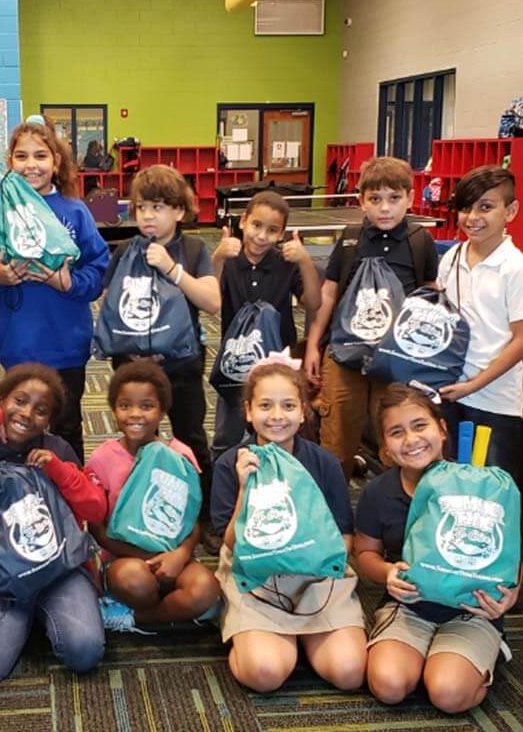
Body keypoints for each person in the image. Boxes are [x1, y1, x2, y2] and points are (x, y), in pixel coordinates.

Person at [0, 364, 107, 688]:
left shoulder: (56, 449)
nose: (27, 413)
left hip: (59, 569)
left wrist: (57, 470)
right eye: (19, 400)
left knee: (84, 652)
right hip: (4, 579)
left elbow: (95, 509)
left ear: (49, 420)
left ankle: (42, 618)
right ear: (2, 399)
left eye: (41, 411)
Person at [355, 383, 521, 712]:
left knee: (449, 695)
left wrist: (511, 594)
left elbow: (510, 549)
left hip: (470, 611)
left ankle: (475, 655)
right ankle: (430, 658)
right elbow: (364, 555)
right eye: (396, 432)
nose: (412, 440)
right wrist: (387, 573)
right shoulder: (378, 492)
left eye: (420, 426)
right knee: (388, 686)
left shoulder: (482, 483)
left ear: (442, 429)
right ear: (385, 447)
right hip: (408, 606)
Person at [211, 361, 366, 693]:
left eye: (288, 405)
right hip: (255, 576)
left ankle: (299, 639)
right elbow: (232, 544)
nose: (277, 416)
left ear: (303, 412)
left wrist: (303, 561)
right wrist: (243, 488)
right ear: (248, 412)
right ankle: (268, 638)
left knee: (349, 672)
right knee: (264, 674)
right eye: (265, 406)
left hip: (316, 576)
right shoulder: (229, 463)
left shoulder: (324, 462)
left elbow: (344, 537)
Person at [0, 119, 110, 462]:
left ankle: (69, 505)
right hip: (17, 344)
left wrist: (67, 283)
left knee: (65, 427)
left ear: (56, 161)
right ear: (10, 162)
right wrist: (0, 278)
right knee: (17, 428)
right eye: (21, 156)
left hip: (65, 344)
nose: (31, 165)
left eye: (40, 156)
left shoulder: (75, 211)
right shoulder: (1, 212)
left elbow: (98, 270)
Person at [303, 156, 437, 478]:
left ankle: (393, 510)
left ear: (410, 197)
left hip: (395, 362)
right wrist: (312, 346)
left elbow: (431, 297)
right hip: (344, 357)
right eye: (375, 199)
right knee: (336, 439)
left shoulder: (420, 242)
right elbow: (329, 294)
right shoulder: (351, 239)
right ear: (362, 201)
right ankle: (333, 513)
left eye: (394, 199)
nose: (385, 208)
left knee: (396, 438)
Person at [105, 165, 221, 512]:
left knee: (191, 438)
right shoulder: (126, 249)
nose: (147, 216)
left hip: (181, 364)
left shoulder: (193, 247)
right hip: (133, 368)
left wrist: (172, 269)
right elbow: (111, 302)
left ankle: (204, 517)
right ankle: (140, 509)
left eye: (157, 207)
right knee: (137, 440)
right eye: (141, 207)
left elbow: (212, 302)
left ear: (179, 211)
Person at [86, 362, 220, 632]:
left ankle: (135, 618)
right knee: (137, 581)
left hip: (173, 559)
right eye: (125, 406)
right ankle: (173, 610)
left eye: (146, 406)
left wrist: (180, 555)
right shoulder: (102, 458)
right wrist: (151, 557)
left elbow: (192, 521)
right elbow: (98, 531)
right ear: (113, 410)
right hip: (123, 560)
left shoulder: (179, 455)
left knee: (206, 590)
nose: (135, 414)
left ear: (162, 411)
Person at [436, 166, 523, 481]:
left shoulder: (516, 269)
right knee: (448, 486)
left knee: (489, 495)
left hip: (494, 403)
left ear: (510, 211)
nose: (473, 217)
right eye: (466, 207)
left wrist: (474, 384)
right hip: (449, 394)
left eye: (486, 207)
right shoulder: (452, 257)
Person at [211, 191, 321, 457]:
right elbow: (210, 300)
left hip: (278, 361)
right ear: (243, 222)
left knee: (280, 427)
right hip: (235, 361)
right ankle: (222, 483)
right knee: (228, 432)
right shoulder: (230, 259)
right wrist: (217, 258)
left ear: (282, 234)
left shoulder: (286, 263)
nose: (261, 236)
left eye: (272, 230)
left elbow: (313, 302)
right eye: (256, 226)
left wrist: (305, 261)